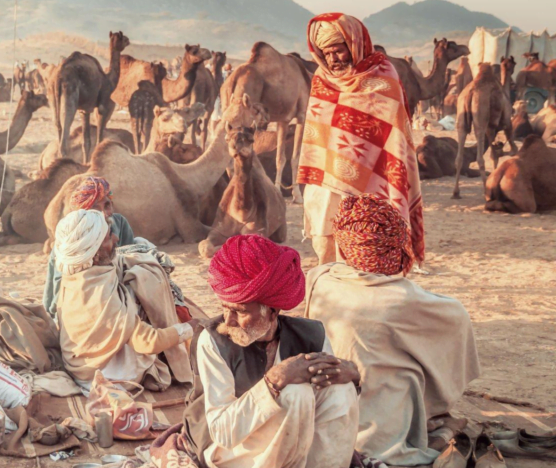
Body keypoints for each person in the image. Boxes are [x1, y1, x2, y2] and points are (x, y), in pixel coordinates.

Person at [154, 235, 360, 468]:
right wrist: (273, 381)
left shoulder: (311, 335)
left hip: (296, 443)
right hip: (226, 448)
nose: (228, 321)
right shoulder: (212, 341)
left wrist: (352, 374)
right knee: (295, 393)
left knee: (338, 388)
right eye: (225, 308)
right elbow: (222, 433)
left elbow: (338, 405)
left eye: (240, 312)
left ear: (272, 312)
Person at [305, 194, 479, 466]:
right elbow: (457, 319)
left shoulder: (320, 278)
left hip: (320, 416)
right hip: (374, 437)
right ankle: (433, 426)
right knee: (408, 369)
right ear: (396, 246)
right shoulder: (404, 299)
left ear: (345, 245)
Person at [297, 13, 424, 266]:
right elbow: (318, 137)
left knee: (367, 263)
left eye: (337, 51)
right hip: (325, 188)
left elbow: (394, 141)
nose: (332, 59)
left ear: (354, 44)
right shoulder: (321, 80)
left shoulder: (383, 78)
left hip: (371, 192)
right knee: (326, 260)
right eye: (326, 53)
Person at [52, 209, 193, 390]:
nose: (116, 239)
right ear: (94, 251)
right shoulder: (101, 295)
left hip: (78, 367)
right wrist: (188, 329)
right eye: (109, 237)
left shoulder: (74, 275)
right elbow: (149, 342)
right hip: (106, 376)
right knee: (143, 285)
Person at [42, 176, 135, 317]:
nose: (104, 214)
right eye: (95, 209)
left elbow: (131, 260)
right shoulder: (72, 235)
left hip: (118, 298)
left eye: (107, 206)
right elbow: (57, 283)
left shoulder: (119, 223)